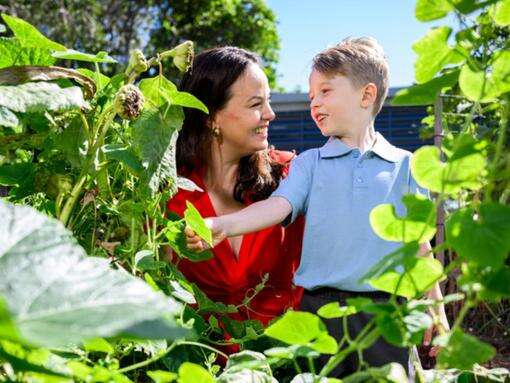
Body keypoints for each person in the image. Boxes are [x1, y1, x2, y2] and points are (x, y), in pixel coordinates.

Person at [185, 37, 450, 377]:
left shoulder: (406, 166)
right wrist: (225, 225)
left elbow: (417, 244)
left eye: (325, 92)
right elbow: (278, 206)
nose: (314, 103)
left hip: (387, 311)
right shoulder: (309, 164)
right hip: (319, 309)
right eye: (311, 96)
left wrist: (436, 306)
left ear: (366, 96)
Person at [166, 46, 304, 330]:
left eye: (269, 101)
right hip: (198, 363)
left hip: (288, 362)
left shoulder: (292, 173)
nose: (271, 114)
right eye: (256, 105)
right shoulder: (169, 192)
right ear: (211, 117)